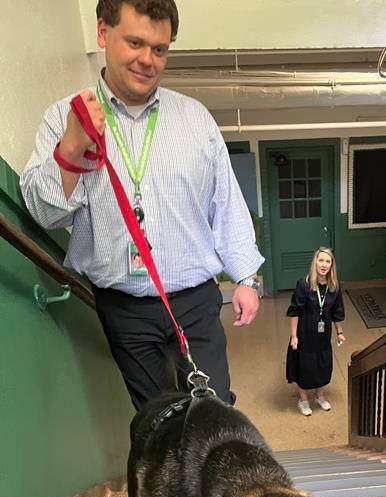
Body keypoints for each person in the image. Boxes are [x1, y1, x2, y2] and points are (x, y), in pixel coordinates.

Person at [20, 0, 263, 409]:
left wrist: (246, 278)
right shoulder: (64, 117)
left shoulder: (194, 118)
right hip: (123, 306)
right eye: (135, 42)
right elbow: (45, 214)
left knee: (214, 407)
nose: (147, 60)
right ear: (102, 33)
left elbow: (225, 203)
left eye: (160, 49)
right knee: (155, 416)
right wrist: (72, 150)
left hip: (195, 300)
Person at [286, 247, 346, 416]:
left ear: (331, 265)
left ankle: (320, 396)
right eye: (321, 260)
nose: (324, 265)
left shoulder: (334, 287)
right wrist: (294, 336)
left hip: (323, 335)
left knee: (323, 366)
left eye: (328, 261)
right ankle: (303, 399)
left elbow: (337, 312)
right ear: (315, 262)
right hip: (304, 334)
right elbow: (294, 312)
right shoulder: (304, 284)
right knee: (304, 367)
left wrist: (339, 332)